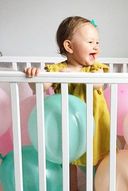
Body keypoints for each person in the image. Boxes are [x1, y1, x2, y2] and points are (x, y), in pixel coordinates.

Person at [24, 16, 110, 191]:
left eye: (97, 42)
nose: (96, 46)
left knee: (96, 168)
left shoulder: (96, 69)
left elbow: (99, 83)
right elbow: (39, 86)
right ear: (69, 46)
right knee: (69, 169)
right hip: (68, 131)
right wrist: (36, 75)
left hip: (93, 129)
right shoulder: (57, 70)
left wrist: (84, 76)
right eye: (90, 42)